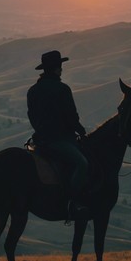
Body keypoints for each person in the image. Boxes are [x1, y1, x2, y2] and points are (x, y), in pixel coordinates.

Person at [27, 50, 89, 218]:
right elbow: (71, 116)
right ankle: (72, 202)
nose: (61, 70)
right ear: (56, 69)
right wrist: (81, 131)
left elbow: (32, 116)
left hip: (40, 140)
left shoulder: (33, 90)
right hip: (59, 140)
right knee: (82, 163)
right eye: (60, 67)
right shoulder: (62, 89)